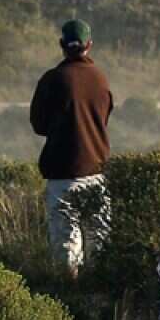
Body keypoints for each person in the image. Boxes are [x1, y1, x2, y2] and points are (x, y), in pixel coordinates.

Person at [30, 19, 114, 277]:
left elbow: (39, 125)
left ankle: (70, 303)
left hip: (63, 175)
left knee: (67, 249)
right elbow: (104, 118)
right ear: (89, 45)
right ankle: (101, 300)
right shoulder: (101, 80)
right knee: (99, 244)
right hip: (97, 172)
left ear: (61, 45)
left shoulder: (52, 79)